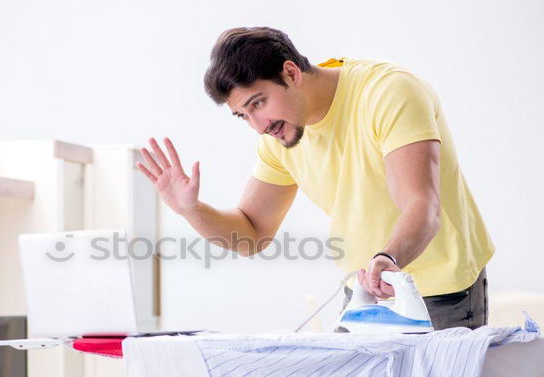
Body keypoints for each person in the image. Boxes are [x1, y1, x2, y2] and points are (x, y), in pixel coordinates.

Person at [136, 26, 494, 330]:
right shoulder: (279, 138)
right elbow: (251, 235)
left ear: (291, 73)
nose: (259, 126)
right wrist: (190, 209)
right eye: (243, 115)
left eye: (258, 103)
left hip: (442, 291)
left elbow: (421, 204)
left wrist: (388, 259)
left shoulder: (387, 92)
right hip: (364, 293)